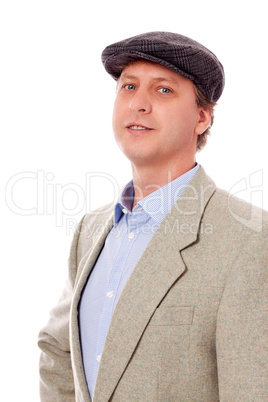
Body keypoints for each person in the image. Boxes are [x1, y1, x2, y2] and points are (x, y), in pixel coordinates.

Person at [38, 31, 267, 401]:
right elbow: (57, 351)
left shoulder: (249, 239)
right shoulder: (90, 230)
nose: (138, 104)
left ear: (202, 118)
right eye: (129, 86)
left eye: (163, 90)